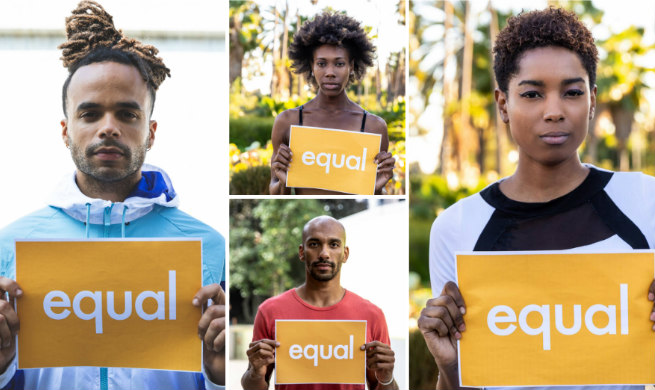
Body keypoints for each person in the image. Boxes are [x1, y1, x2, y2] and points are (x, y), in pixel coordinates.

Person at [417, 7, 655, 390]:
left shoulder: (650, 204)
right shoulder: (457, 227)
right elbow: (460, 382)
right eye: (532, 94)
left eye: (572, 92)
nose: (554, 111)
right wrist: (450, 364)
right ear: (503, 104)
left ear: (592, 100)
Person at [0, 1, 225, 389]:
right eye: (89, 114)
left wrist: (221, 374)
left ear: (151, 132)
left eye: (127, 114)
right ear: (66, 130)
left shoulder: (209, 246)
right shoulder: (11, 245)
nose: (109, 128)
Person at [241, 216, 398, 390]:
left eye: (334, 245)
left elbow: (384, 384)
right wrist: (255, 372)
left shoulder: (372, 315)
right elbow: (253, 385)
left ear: (345, 254)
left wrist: (387, 377)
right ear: (302, 252)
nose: (324, 253)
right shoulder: (270, 311)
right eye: (314, 244)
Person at [269, 12, 396, 195]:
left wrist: (377, 187)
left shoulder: (373, 127)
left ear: (351, 66)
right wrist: (282, 179)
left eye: (339, 64)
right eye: (321, 64)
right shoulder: (287, 122)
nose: (330, 72)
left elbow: (376, 192)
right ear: (311, 66)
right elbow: (275, 189)